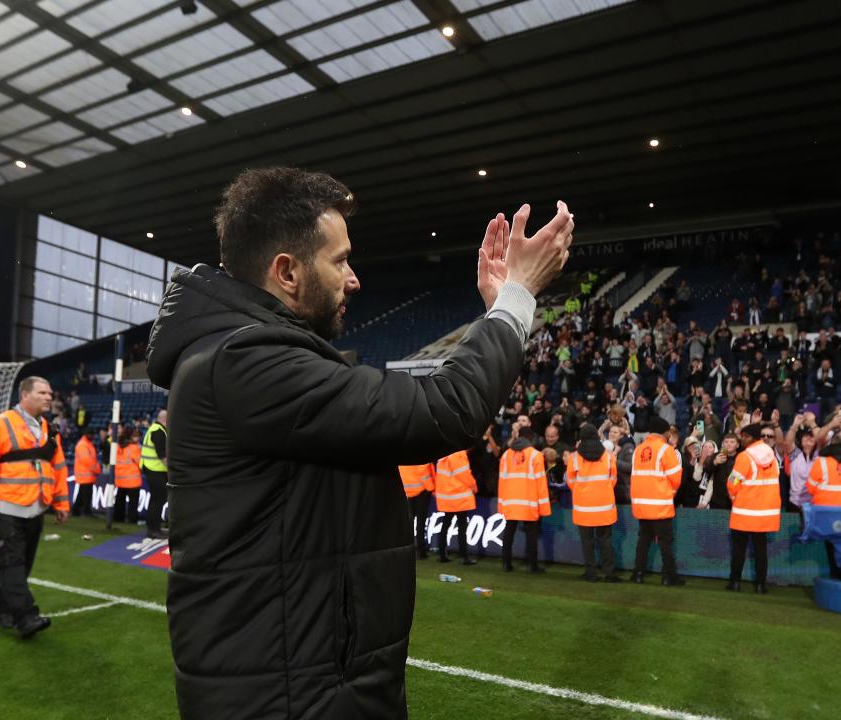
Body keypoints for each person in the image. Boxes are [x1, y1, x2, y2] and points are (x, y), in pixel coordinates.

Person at [145, 166, 574, 718]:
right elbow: (444, 409)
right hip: (288, 695)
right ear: (287, 272)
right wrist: (517, 298)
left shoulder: (241, 354)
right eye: (340, 260)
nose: (354, 280)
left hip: (299, 679)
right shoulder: (243, 361)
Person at [0, 376, 69, 638]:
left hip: (35, 509)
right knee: (10, 564)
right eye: (42, 392)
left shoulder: (49, 429)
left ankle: (1, 610)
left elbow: (58, 467)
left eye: (50, 392)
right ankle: (26, 617)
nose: (49, 397)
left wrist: (61, 502)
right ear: (24, 394)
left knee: (21, 566)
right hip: (4, 509)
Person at [726, 424, 781, 593]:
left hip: (744, 511)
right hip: (764, 514)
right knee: (760, 551)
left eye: (745, 436)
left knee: (738, 550)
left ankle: (735, 583)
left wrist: (733, 496)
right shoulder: (772, 456)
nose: (742, 439)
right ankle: (760, 585)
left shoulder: (744, 456)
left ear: (752, 437)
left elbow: (733, 483)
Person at [630, 416, 684, 586]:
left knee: (643, 541)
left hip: (641, 506)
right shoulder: (666, 450)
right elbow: (676, 479)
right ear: (665, 431)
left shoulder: (638, 450)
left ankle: (638, 574)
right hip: (660, 505)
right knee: (665, 543)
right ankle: (669, 577)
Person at [566, 423, 619, 582]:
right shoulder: (609, 456)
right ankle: (609, 573)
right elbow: (613, 479)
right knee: (606, 541)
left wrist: (582, 492)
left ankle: (591, 573)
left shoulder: (574, 457)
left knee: (587, 542)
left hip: (583, 508)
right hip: (604, 506)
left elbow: (570, 481)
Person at [498, 427, 550, 573]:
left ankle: (505, 563)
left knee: (509, 532)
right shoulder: (535, 455)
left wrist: (501, 504)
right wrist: (544, 507)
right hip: (529, 502)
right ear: (530, 438)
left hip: (510, 502)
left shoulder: (506, 455)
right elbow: (541, 483)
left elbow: (501, 480)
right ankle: (532, 565)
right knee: (531, 536)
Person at [807, 431, 841, 580]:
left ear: (832, 442)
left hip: (827, 514)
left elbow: (811, 487)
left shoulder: (822, 462)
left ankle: (837, 578)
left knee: (832, 546)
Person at [435, 449, 479, 565]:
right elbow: (464, 474)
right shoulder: (458, 454)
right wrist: (474, 485)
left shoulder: (443, 454)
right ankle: (464, 557)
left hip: (447, 497)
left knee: (445, 526)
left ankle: (442, 554)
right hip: (459, 497)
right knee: (462, 528)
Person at [140, 409, 169, 539]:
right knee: (158, 499)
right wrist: (172, 470)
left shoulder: (155, 429)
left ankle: (154, 527)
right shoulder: (158, 431)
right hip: (154, 469)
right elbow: (162, 455)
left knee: (156, 499)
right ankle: (153, 530)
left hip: (152, 469)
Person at [398, 462, 436, 559]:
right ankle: (420, 550)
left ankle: (406, 548)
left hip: (408, 489)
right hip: (421, 490)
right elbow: (422, 470)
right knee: (420, 521)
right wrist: (431, 487)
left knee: (409, 521)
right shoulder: (418, 450)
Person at [112, 428, 142, 524]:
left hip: (120, 480)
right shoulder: (134, 447)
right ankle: (132, 520)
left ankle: (118, 518)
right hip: (132, 480)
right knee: (133, 503)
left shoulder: (117, 446)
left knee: (119, 501)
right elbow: (139, 463)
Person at [72, 429, 100, 517]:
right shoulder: (83, 445)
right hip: (85, 474)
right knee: (86, 495)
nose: (93, 437)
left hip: (87, 475)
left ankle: (76, 511)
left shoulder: (87, 444)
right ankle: (86, 511)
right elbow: (87, 460)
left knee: (82, 495)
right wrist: (96, 469)